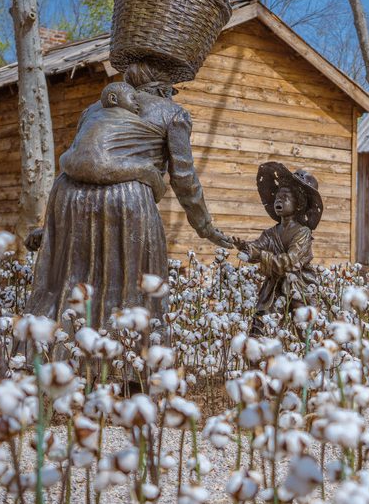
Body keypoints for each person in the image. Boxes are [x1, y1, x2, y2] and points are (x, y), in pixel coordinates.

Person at [26, 61, 232, 327]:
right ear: (164, 89)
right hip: (126, 198)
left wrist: (51, 226)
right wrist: (204, 226)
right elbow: (184, 177)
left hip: (69, 195)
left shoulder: (92, 109)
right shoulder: (173, 113)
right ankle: (120, 353)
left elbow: (81, 154)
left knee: (67, 280)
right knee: (127, 284)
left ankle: (54, 349)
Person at [233, 162, 322, 331]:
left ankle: (312, 353)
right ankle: (257, 353)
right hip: (274, 286)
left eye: (285, 198)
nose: (279, 200)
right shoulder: (270, 233)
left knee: (306, 328)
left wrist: (262, 256)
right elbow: (258, 247)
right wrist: (245, 247)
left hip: (299, 285)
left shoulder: (302, 232)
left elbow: (290, 261)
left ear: (299, 204)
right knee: (261, 323)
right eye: (277, 197)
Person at [59, 81, 167, 202]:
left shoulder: (91, 116)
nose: (137, 103)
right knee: (148, 169)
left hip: (71, 165)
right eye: (132, 98)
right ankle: (157, 197)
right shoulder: (128, 117)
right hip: (100, 167)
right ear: (113, 98)